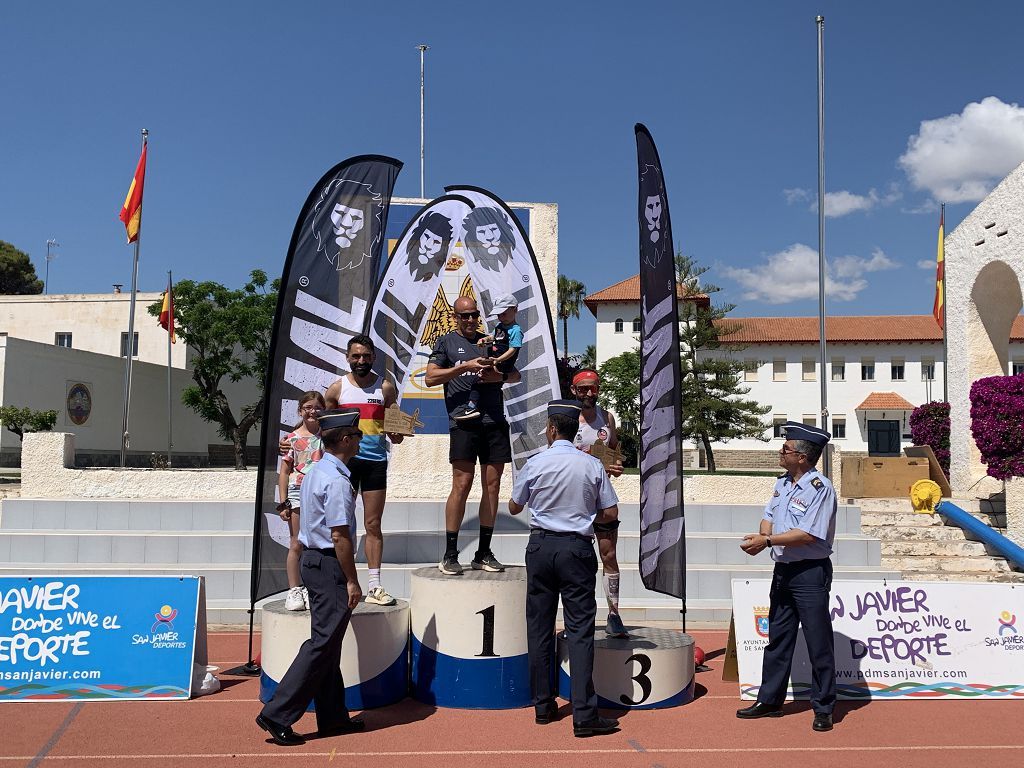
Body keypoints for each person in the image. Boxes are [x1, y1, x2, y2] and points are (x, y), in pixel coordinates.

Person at [509, 399, 620, 738]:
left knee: (540, 627)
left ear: (552, 429)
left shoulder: (536, 461)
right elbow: (611, 514)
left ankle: (543, 705)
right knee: (580, 631)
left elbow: (515, 506)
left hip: (541, 546)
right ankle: (584, 714)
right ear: (574, 431)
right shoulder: (590, 464)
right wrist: (585, 514)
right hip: (576, 548)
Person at [256, 409, 365, 747]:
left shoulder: (317, 470)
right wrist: (352, 580)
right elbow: (339, 536)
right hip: (329, 564)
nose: (361, 440)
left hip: (314, 562)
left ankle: (333, 717)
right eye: (357, 435)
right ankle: (277, 713)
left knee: (328, 644)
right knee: (322, 644)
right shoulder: (335, 479)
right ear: (346, 439)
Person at [736, 422, 837, 733]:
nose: (781, 451)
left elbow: (807, 534)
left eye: (786, 448)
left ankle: (823, 708)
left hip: (809, 571)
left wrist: (766, 542)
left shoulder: (821, 488)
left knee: (818, 641)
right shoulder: (782, 484)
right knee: (778, 638)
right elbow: (769, 517)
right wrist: (762, 535)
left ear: (803, 457)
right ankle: (770, 700)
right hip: (783, 571)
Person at [425, 295, 521, 576]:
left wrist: (499, 377)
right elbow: (430, 377)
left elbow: (514, 375)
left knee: (492, 486)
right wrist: (463, 368)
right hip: (463, 422)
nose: (469, 320)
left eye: (474, 315)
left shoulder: (491, 338)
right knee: (462, 483)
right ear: (455, 317)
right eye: (464, 315)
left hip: (494, 420)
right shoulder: (445, 342)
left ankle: (483, 552)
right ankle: (451, 553)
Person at [327, 335, 405, 606]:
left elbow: (395, 431)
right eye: (356, 356)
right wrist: (291, 442)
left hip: (374, 461)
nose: (361, 361)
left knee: (373, 524)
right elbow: (323, 430)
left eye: (366, 356)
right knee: (342, 524)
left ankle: (374, 585)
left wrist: (397, 433)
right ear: (348, 357)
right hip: (344, 465)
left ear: (373, 357)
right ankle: (342, 581)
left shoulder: (385, 388)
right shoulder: (336, 390)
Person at [569, 370, 627, 638]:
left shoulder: (608, 417)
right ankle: (578, 616)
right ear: (573, 391)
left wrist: (616, 464)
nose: (589, 394)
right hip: (573, 499)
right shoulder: (567, 419)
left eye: (593, 389)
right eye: (583, 389)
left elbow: (614, 449)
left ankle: (614, 614)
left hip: (602, 497)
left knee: (609, 555)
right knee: (574, 559)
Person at [276, 391, 326, 612]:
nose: (312, 411)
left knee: (320, 542)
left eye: (316, 407)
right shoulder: (291, 439)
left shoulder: (328, 436)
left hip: (322, 493)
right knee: (297, 542)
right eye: (308, 407)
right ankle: (294, 589)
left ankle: (316, 586)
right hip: (298, 493)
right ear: (300, 410)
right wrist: (283, 503)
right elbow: (284, 473)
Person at [453, 294, 522, 422]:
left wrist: (498, 360)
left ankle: (472, 407)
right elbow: (493, 337)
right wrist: (484, 339)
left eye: (504, 314)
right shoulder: (500, 326)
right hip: (495, 360)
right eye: (499, 315)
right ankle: (475, 408)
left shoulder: (516, 330)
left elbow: (513, 349)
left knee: (479, 380)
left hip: (502, 363)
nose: (501, 317)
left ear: (515, 310)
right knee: (480, 381)